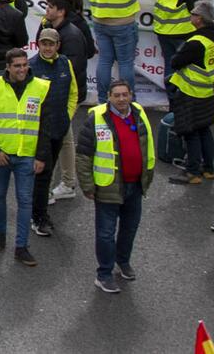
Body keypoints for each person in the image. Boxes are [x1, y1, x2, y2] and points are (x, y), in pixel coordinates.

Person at [0, 46, 58, 266]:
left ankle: (21, 247)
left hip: (27, 156)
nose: (22, 69)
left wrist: (41, 157)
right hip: (0, 155)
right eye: (17, 66)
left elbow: (45, 126)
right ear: (8, 67)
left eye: (24, 65)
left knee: (25, 201)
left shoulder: (41, 88)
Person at [75, 76, 154, 296]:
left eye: (125, 95)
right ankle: (104, 274)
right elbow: (83, 155)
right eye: (117, 95)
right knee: (106, 234)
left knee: (130, 228)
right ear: (108, 97)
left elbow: (147, 145)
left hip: (135, 185)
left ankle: (123, 261)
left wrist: (147, 177)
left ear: (131, 95)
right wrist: (87, 186)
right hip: (107, 186)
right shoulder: (96, 118)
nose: (121, 99)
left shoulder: (138, 113)